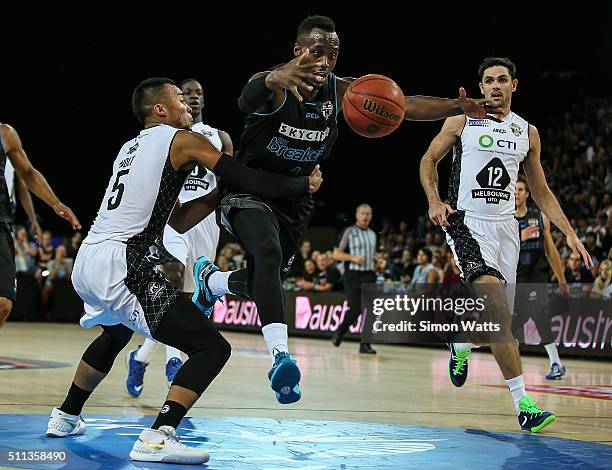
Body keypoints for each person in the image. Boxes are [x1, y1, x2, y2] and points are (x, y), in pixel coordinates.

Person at [191, 15, 502, 402]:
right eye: (317, 52)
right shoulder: (276, 84)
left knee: (263, 273)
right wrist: (272, 78)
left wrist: (455, 106)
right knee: (267, 254)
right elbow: (246, 98)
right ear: (298, 51)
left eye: (333, 54)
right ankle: (281, 358)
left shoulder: (341, 92)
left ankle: (213, 284)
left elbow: (403, 105)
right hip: (250, 191)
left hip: (295, 199)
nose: (325, 61)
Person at [45, 77, 322, 465]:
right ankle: (158, 436)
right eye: (179, 98)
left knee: (115, 332)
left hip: (90, 259)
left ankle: (66, 415)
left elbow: (177, 218)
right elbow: (247, 178)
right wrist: (300, 185)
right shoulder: (179, 139)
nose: (187, 105)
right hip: (124, 265)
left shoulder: (129, 147)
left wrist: (216, 195)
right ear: (159, 109)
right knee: (211, 347)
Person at [419, 57, 592, 432]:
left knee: (499, 325)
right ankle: (525, 406)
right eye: (488, 81)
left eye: (502, 80)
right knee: (499, 317)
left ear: (515, 85)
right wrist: (434, 200)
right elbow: (429, 160)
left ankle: (462, 341)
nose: (494, 86)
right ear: (480, 88)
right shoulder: (462, 121)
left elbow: (543, 192)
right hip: (467, 226)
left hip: (506, 231)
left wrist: (570, 233)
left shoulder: (526, 132)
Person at [125, 78, 234, 397]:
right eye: (187, 95)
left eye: (199, 94)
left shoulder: (220, 136)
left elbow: (230, 179)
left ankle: (141, 357)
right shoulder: (169, 136)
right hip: (173, 216)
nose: (193, 99)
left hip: (206, 219)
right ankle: (174, 358)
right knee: (171, 287)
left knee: (191, 297)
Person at [0, 123, 80, 329]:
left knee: (3, 303)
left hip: (1, 223)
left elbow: (27, 174)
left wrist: (55, 203)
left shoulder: (5, 134)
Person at [512, 175, 568, 380]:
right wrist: (520, 237)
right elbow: (500, 251)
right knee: (513, 324)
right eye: (514, 189)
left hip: (537, 276)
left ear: (527, 194)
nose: (516, 193)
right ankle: (514, 368)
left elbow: (551, 251)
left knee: (537, 311)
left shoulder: (539, 216)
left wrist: (561, 279)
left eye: (520, 190)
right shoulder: (506, 219)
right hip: (516, 278)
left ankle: (556, 363)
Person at [331, 203, 377, 354]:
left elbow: (371, 256)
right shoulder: (349, 231)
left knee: (371, 310)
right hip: (353, 275)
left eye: (368, 213)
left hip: (369, 274)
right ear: (357, 215)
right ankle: (340, 331)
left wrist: (378, 261)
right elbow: (336, 254)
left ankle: (365, 345)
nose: (365, 216)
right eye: (362, 213)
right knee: (356, 308)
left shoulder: (372, 234)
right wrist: (352, 257)